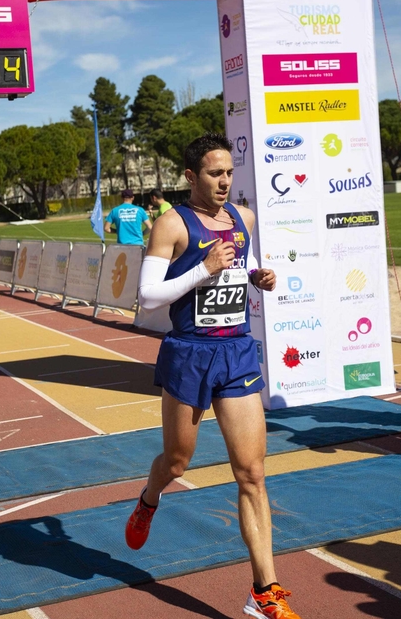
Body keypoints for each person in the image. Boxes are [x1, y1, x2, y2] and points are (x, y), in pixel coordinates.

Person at [126, 133, 301, 618]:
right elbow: (148, 297)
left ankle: (264, 592)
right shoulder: (170, 224)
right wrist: (202, 268)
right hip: (189, 354)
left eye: (228, 172)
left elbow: (238, 268)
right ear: (190, 177)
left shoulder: (241, 219)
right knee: (178, 461)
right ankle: (149, 497)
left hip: (237, 352)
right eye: (214, 173)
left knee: (252, 472)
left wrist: (257, 276)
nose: (225, 181)